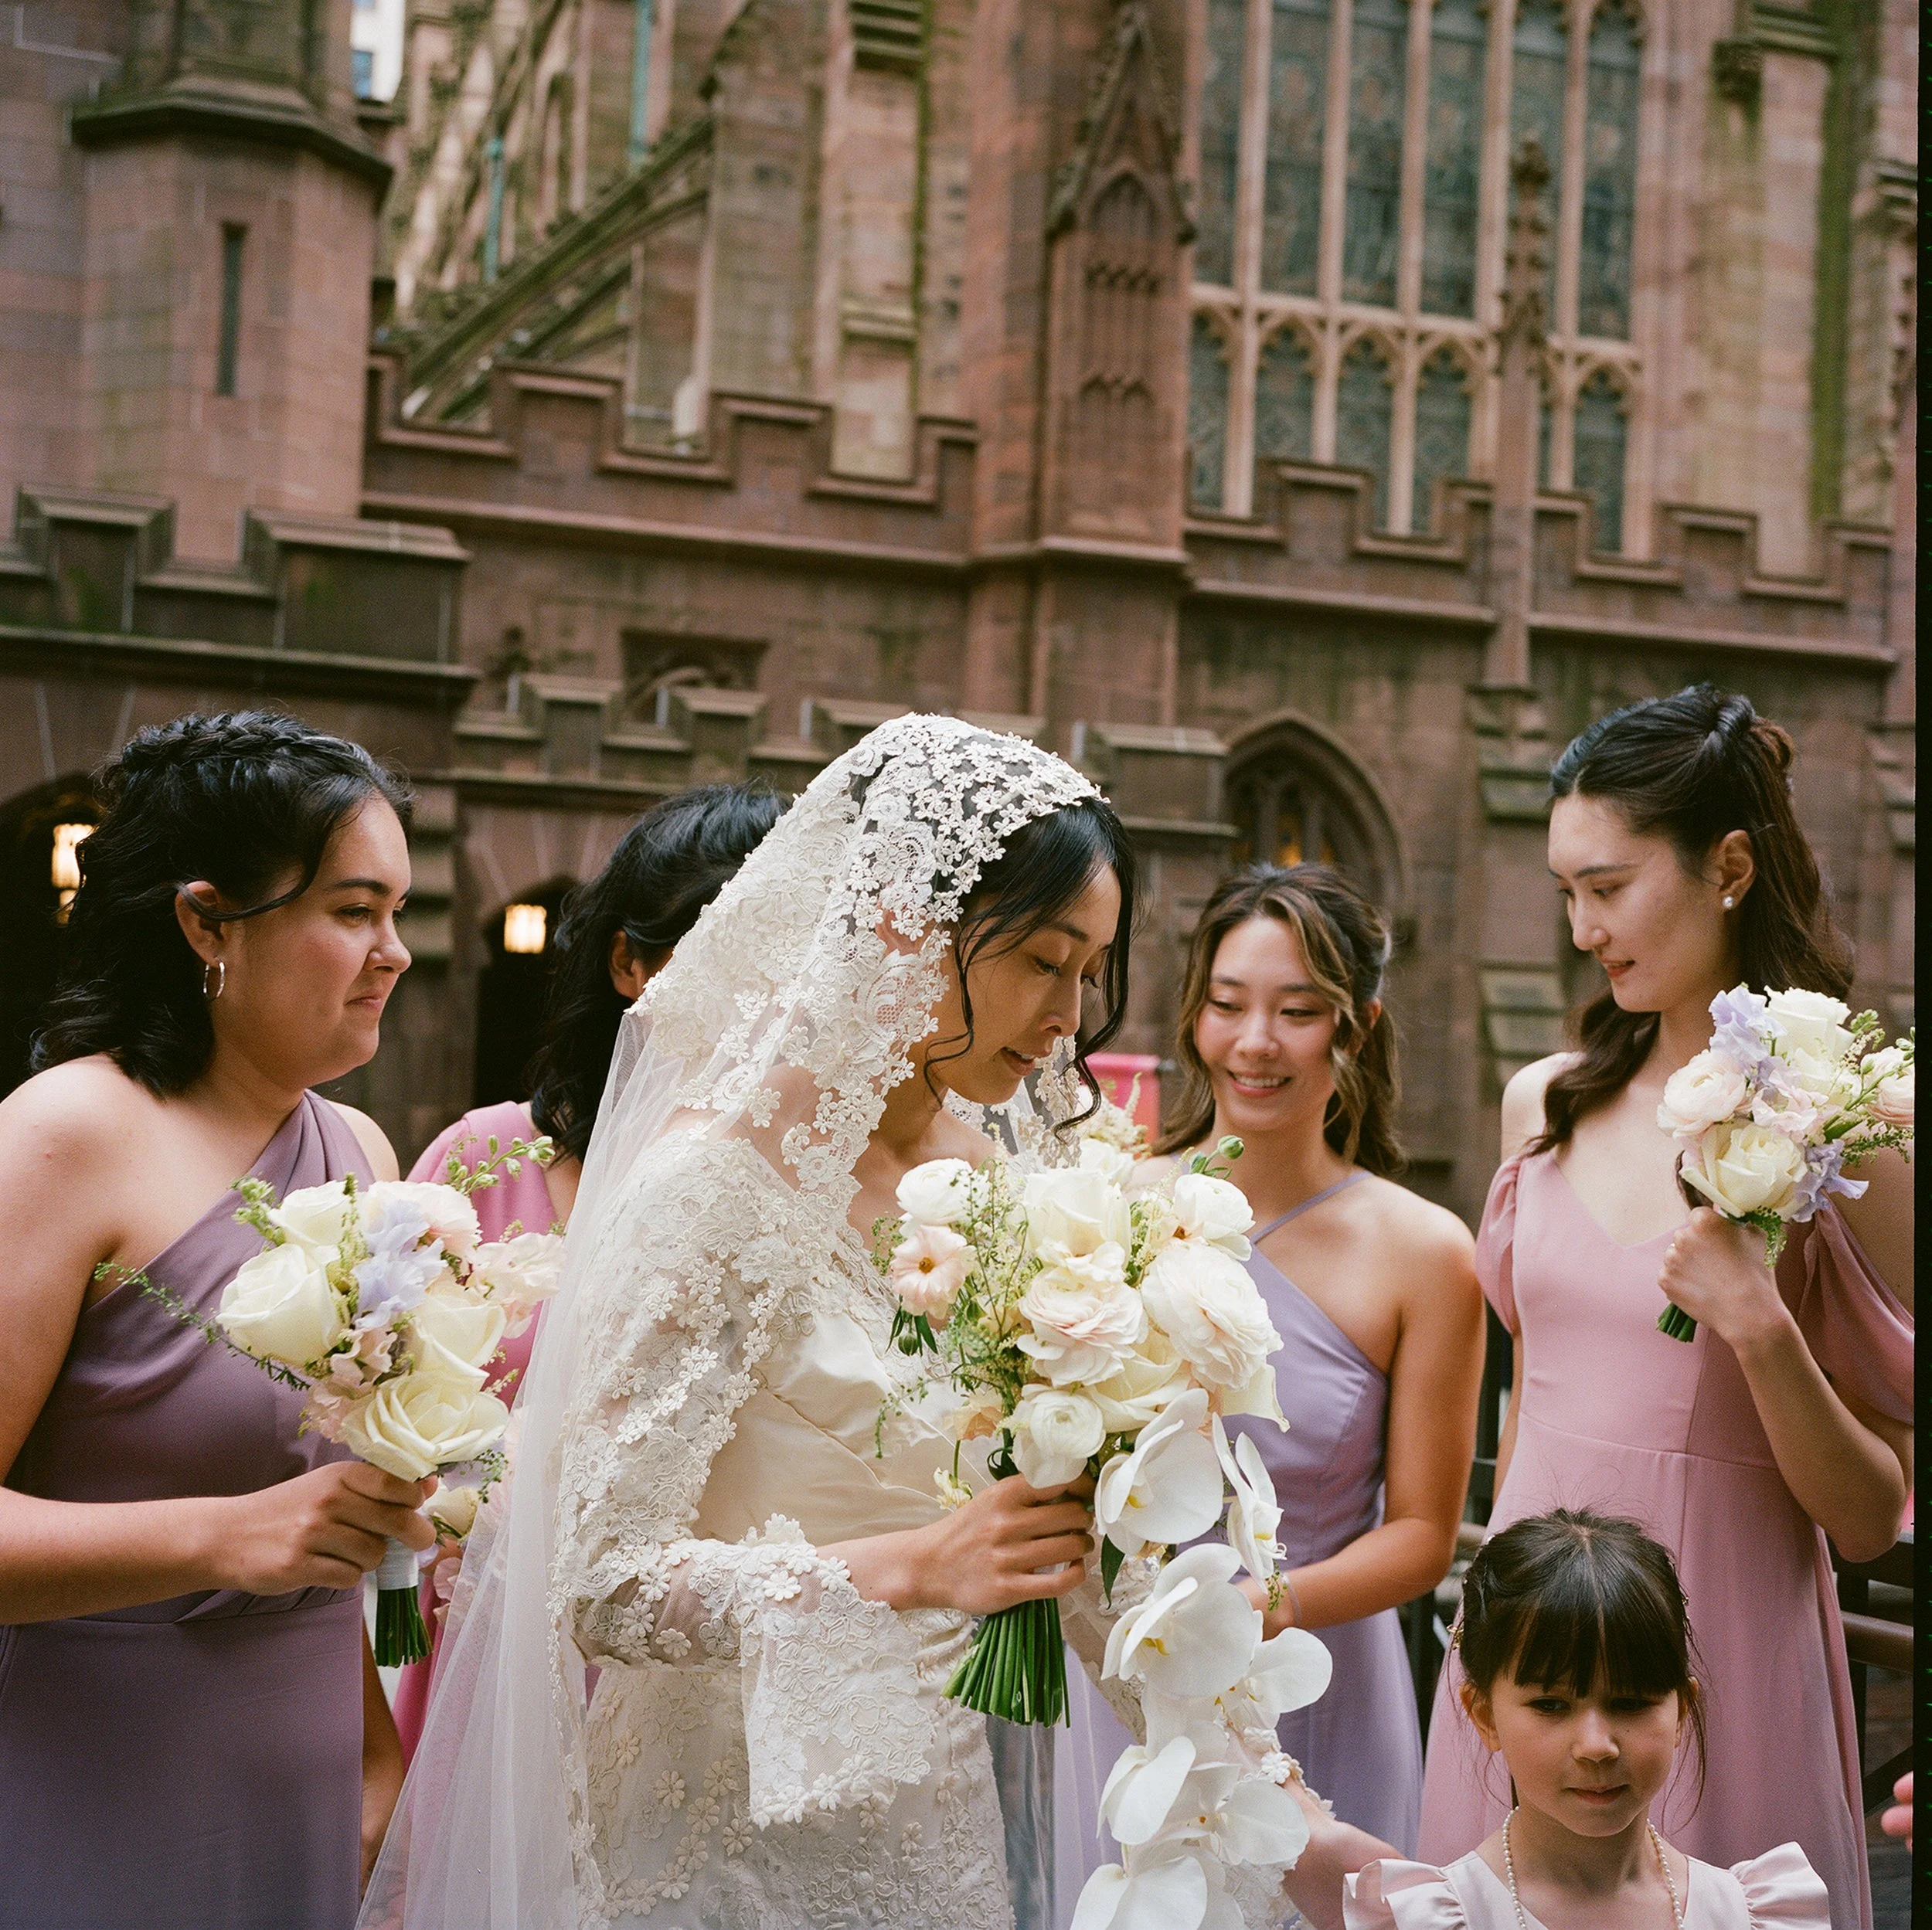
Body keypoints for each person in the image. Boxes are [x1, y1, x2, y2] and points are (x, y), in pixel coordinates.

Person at [366, 715, 1217, 1930]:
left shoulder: (1025, 1185)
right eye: (1043, 959)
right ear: (901, 925)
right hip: (717, 1853)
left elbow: (1054, 1538)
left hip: (939, 1832)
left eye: (1093, 968)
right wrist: (911, 1568)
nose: (1071, 1016)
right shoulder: (712, 1186)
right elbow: (597, 1581)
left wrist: (1237, 1766)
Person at [1417, 685, 1913, 1930]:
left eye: (1611, 885)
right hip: (1525, 1631)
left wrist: (1759, 1324)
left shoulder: (1858, 1123)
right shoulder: (1544, 1103)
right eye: (1565, 893)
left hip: (1716, 1641)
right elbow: (1527, 1403)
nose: (1583, 927)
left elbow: (1869, 1514)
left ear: (1729, 866)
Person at [0, 712, 439, 1930]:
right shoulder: (64, 1134)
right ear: (207, 922)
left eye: (399, 911)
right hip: (102, 1778)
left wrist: (371, 1758)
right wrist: (218, 1538)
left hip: (307, 1774)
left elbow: (325, 1509)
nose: (394, 952)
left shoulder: (359, 1151)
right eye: (353, 911)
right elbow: (259, 1525)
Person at [1054, 865, 1482, 1907]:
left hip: (1317, 1665)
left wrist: (1260, 1605)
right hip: (1129, 1664)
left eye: (1298, 1012)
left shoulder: (1424, 1249)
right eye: (1229, 1004)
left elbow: (1425, 1532)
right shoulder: (1113, 1207)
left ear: (1358, 1025)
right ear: (1196, 1014)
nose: (1257, 1041)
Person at [389, 780, 784, 1758]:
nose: (763, 1000)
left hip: (700, 1689)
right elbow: (377, 1422)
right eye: (729, 954)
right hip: (481, 1657)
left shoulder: (804, 1201)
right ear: (629, 960)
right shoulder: (481, 1166)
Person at [1346, 1510, 1828, 1930]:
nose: (1597, 1746)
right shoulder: (1438, 1917)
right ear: (1484, 1715)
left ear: (1681, 1709)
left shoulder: (1749, 1913)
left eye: (1631, 1703)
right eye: (1551, 1706)